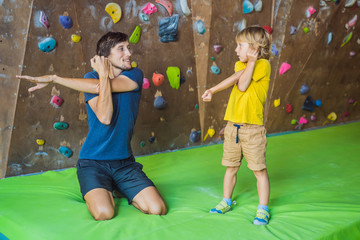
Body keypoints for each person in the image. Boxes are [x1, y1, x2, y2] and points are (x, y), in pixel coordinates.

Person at [16, 32, 167, 220]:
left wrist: (59, 78)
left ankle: (119, 187)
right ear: (105, 57)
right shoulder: (90, 77)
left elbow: (100, 86)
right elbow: (105, 117)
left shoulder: (134, 74)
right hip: (93, 163)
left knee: (157, 208)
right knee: (105, 213)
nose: (129, 53)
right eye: (121, 48)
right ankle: (104, 189)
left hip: (124, 164)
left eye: (129, 47)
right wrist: (55, 78)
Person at [202, 26, 271, 225]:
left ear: (254, 48)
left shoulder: (263, 65)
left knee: (259, 171)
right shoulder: (241, 65)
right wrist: (212, 90)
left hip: (253, 130)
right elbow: (234, 79)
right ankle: (226, 201)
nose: (236, 50)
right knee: (230, 167)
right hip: (233, 128)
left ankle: (263, 209)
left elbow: (242, 85)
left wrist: (252, 60)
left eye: (240, 45)